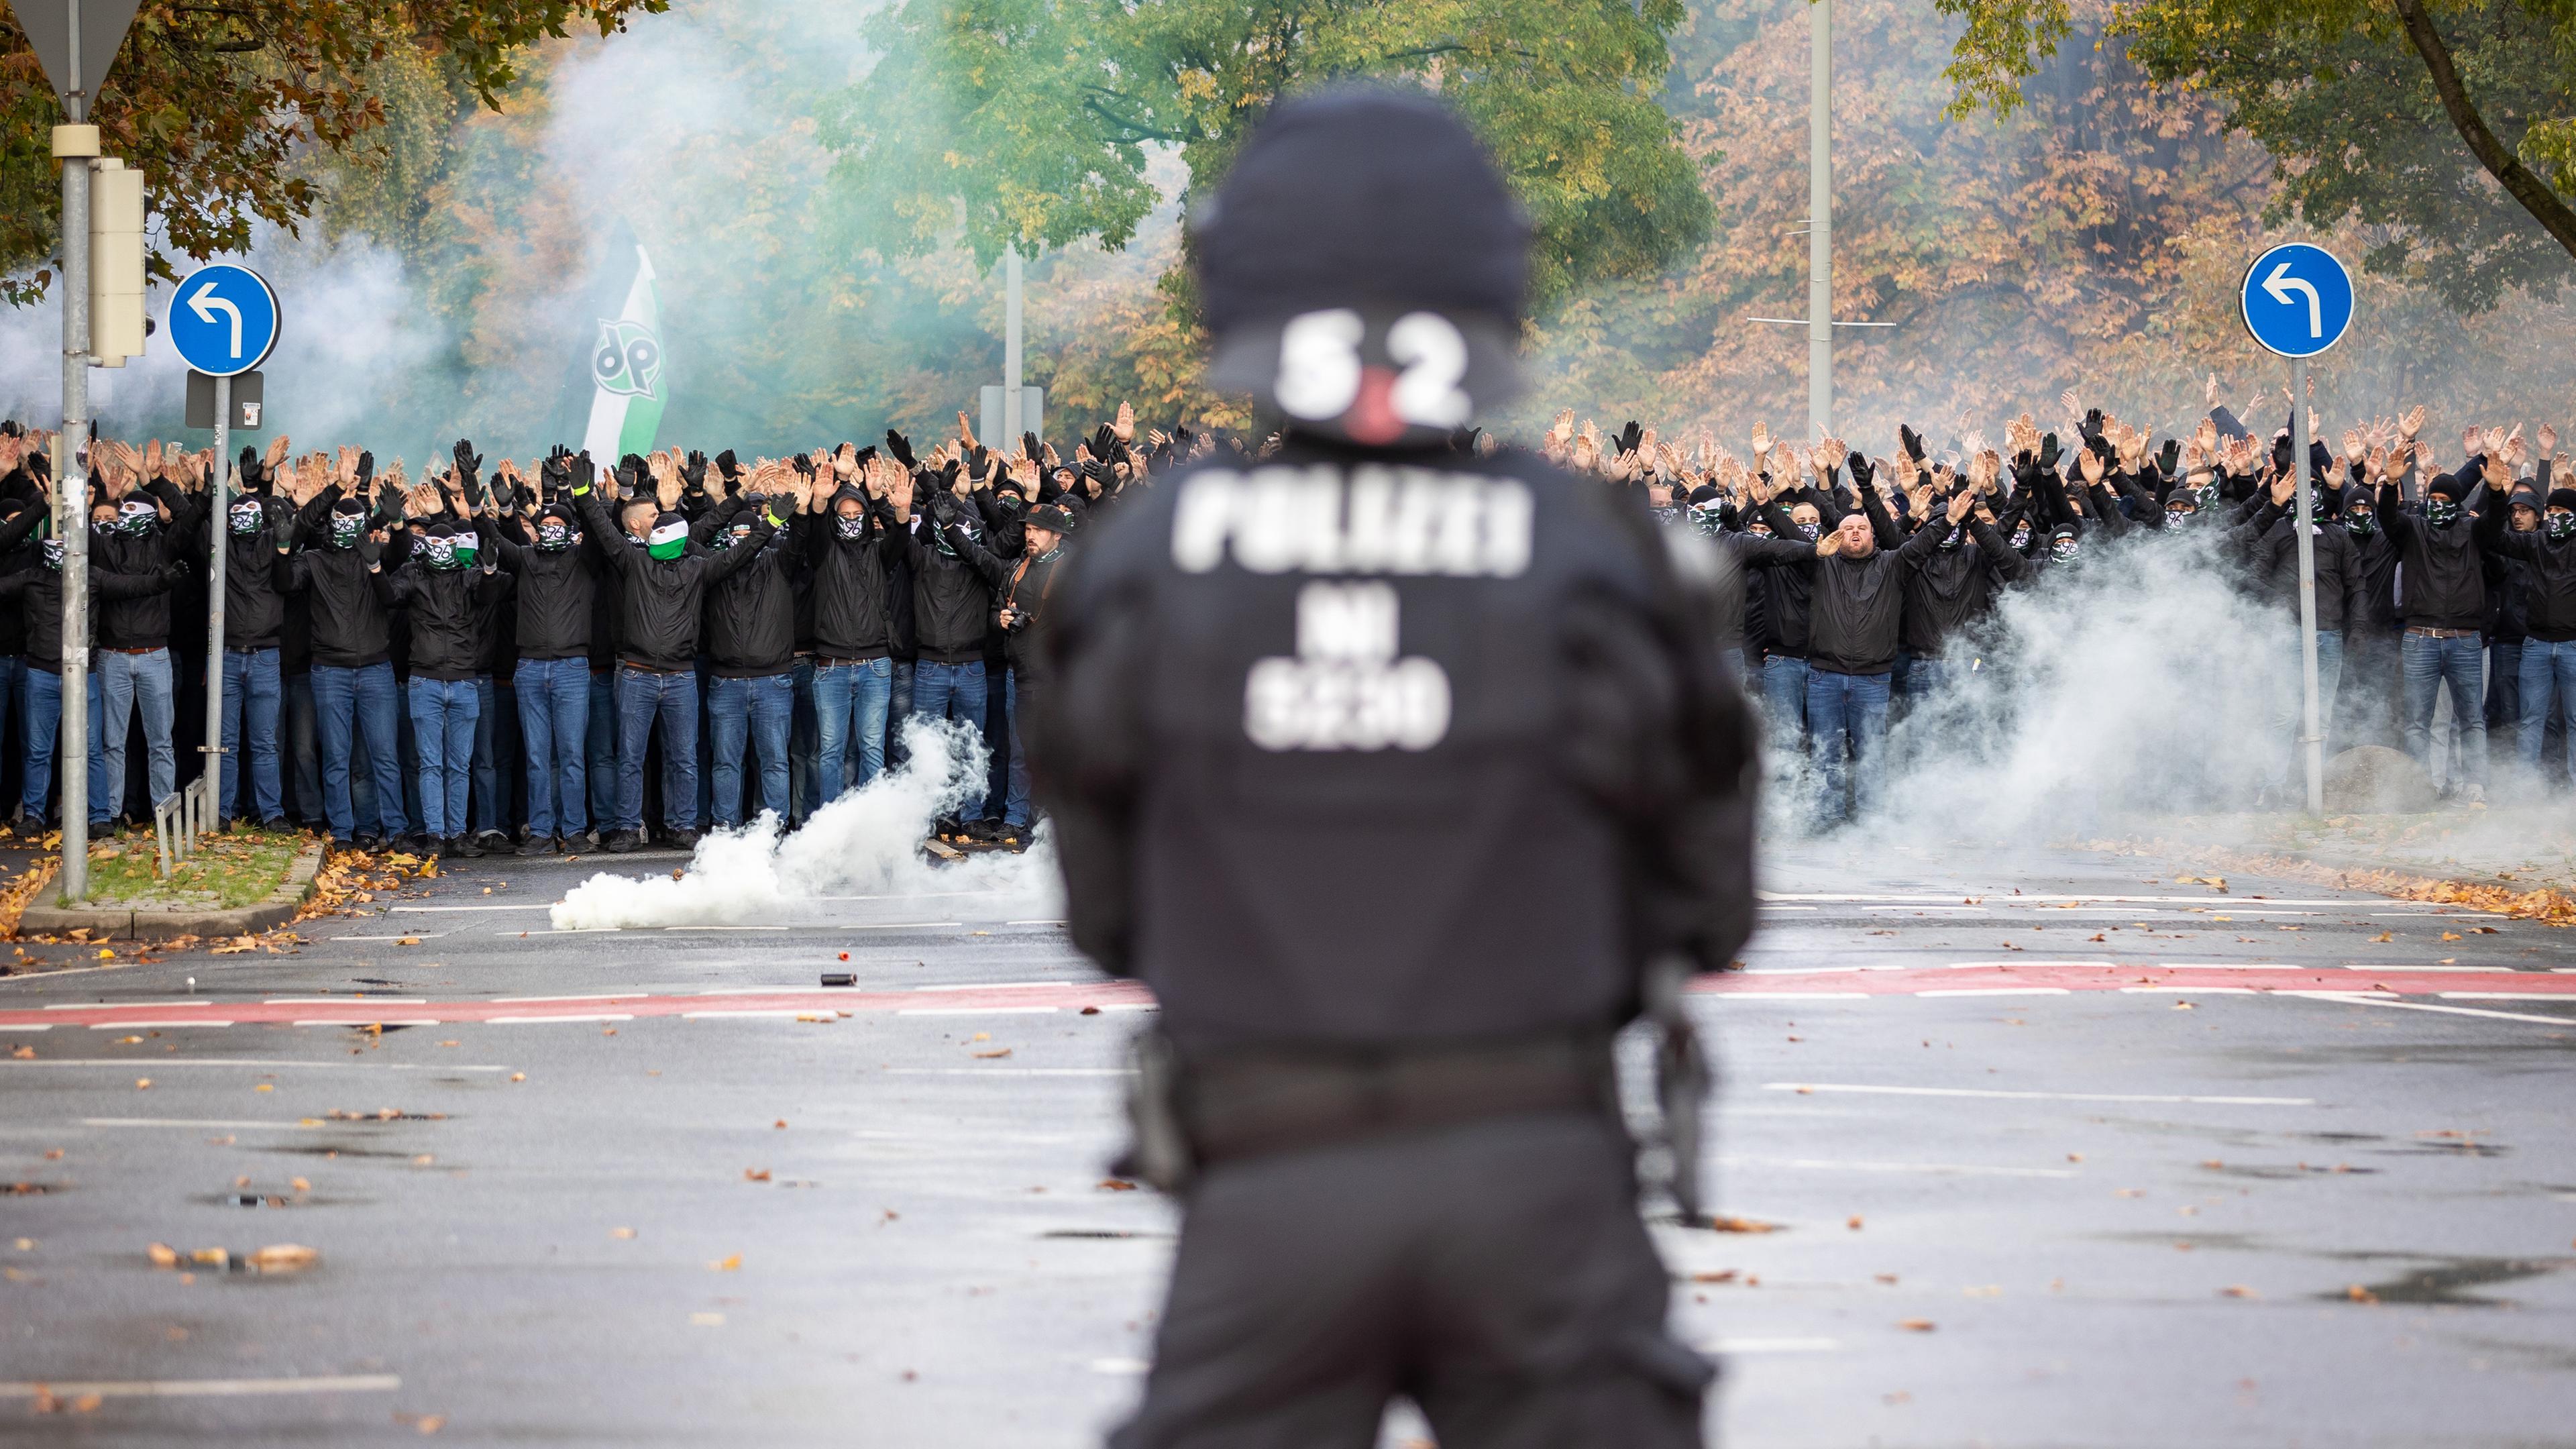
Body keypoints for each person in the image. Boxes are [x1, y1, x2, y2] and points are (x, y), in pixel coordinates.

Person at [1035, 87, 1755, 1449]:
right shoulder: (1605, 555)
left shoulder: (1143, 557)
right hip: (1543, 1180)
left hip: (1265, 1184)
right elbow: (1712, 909)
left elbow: (1103, 918)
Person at [571, 451, 780, 852]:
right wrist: (582, 493)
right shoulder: (632, 562)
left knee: (684, 757)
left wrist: (770, 523)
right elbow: (601, 527)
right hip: (636, 674)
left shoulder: (698, 567)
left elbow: (739, 554)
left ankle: (682, 825)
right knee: (630, 757)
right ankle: (629, 828)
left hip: (681, 675)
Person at [384, 502, 513, 857]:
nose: (441, 551)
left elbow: (490, 596)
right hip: (425, 680)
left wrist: (488, 568)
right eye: (434, 545)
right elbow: (389, 596)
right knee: (430, 764)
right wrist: (375, 567)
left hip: (463, 681)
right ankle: (436, 835)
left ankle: (457, 834)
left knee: (459, 765)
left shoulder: (468, 574)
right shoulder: (413, 573)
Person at [488, 456, 600, 855]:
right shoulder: (526, 560)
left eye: (559, 527)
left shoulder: (583, 561)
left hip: (572, 668)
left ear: (571, 533)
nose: (551, 531)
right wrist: (502, 510)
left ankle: (572, 831)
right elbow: (497, 541)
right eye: (545, 526)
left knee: (571, 754)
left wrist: (578, 492)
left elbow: (598, 530)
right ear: (535, 532)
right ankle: (539, 831)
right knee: (537, 756)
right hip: (530, 668)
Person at [2382, 449, 2501, 802]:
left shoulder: (2473, 530)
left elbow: (2494, 524)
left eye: (2445, 499)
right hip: (2420, 639)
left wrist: (2496, 491)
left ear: (2457, 502)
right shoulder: (2412, 530)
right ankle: (2421, 788)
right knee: (2418, 722)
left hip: (2465, 640)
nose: (2438, 504)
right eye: (2432, 498)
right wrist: (2390, 485)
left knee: (2472, 720)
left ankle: (2475, 786)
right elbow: (2388, 518)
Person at [808, 449, 908, 804]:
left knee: (872, 748)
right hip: (831, 667)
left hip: (875, 667)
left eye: (857, 514)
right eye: (844, 515)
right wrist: (822, 501)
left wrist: (890, 504)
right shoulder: (823, 553)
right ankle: (830, 823)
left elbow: (900, 536)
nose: (851, 519)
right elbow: (815, 529)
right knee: (831, 749)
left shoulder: (880, 552)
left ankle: (870, 823)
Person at [991, 498, 1072, 849]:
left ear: (1057, 535)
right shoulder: (1017, 568)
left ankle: (1056, 820)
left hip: (1058, 681)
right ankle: (1015, 818)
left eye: (1037, 530)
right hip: (1019, 674)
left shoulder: (1074, 569)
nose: (1030, 534)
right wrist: (1001, 619)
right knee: (1020, 750)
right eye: (1027, 528)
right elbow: (997, 607)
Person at [2489, 478, 2576, 787]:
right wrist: (2496, 493)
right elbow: (2495, 539)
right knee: (2531, 720)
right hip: (2536, 646)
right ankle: (2524, 790)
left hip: (2573, 647)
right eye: (2550, 510)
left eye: (2561, 510)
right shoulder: (2535, 543)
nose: (2554, 516)